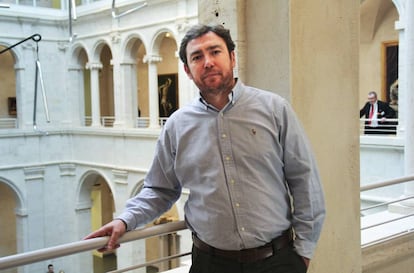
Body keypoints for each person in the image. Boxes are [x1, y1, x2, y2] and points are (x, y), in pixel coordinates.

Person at [84, 24, 326, 273]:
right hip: (210, 264)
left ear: (232, 57)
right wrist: (125, 220)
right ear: (188, 70)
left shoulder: (275, 110)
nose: (208, 62)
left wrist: (303, 254)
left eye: (215, 52)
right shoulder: (177, 126)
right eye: (197, 57)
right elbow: (159, 189)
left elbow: (305, 181)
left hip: (277, 261)